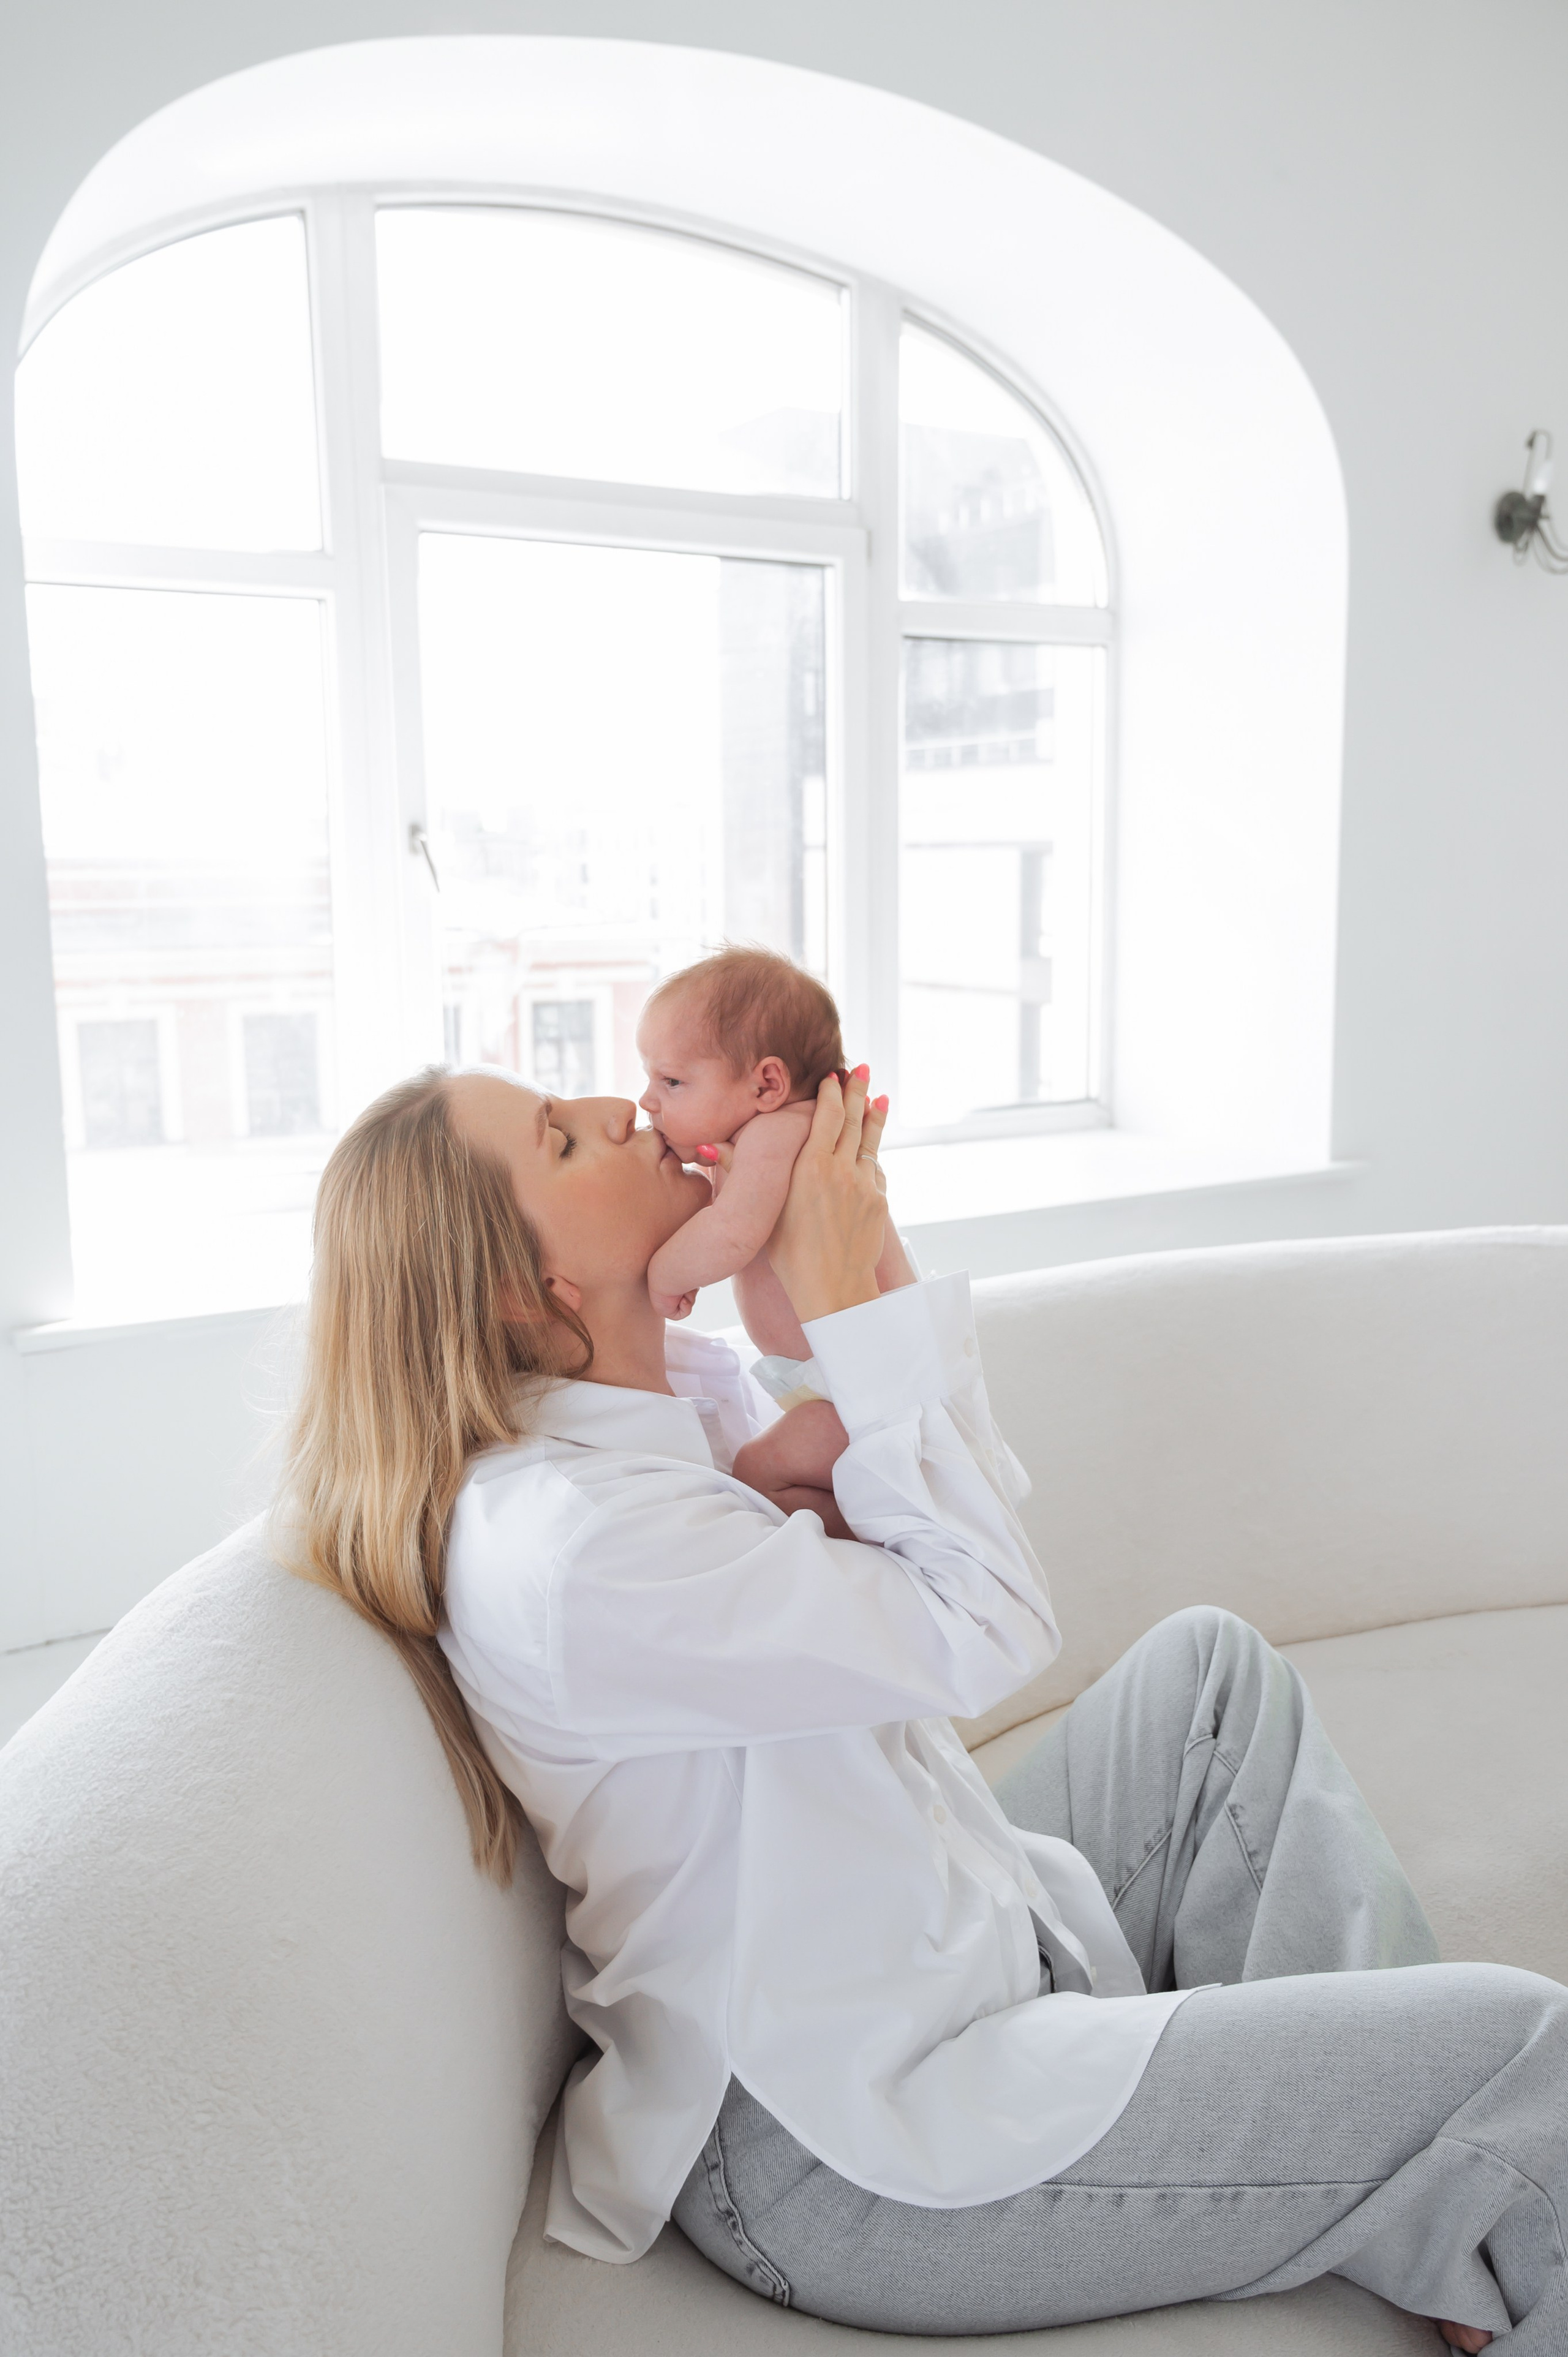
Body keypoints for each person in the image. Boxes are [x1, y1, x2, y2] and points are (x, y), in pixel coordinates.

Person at [278, 1062, 1566, 2353]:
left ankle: (1425, 2187)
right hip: (840, 2147)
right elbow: (986, 1622)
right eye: (562, 1142)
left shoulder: (670, 1405)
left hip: (926, 1948)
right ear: (527, 1288)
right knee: (1528, 2049)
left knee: (1205, 1682)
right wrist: (838, 1295)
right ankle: (1454, 2164)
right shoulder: (574, 1544)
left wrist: (844, 1253)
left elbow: (959, 1493)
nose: (619, 1110)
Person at [638, 946, 909, 1527]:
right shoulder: (772, 1140)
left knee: (756, 1473)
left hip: (862, 1395)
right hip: (846, 1387)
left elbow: (732, 1234)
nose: (648, 1100)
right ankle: (873, 1539)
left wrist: (662, 1276)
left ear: (767, 1084)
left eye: (673, 1080)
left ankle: (877, 1544)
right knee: (789, 1487)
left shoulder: (782, 1135)